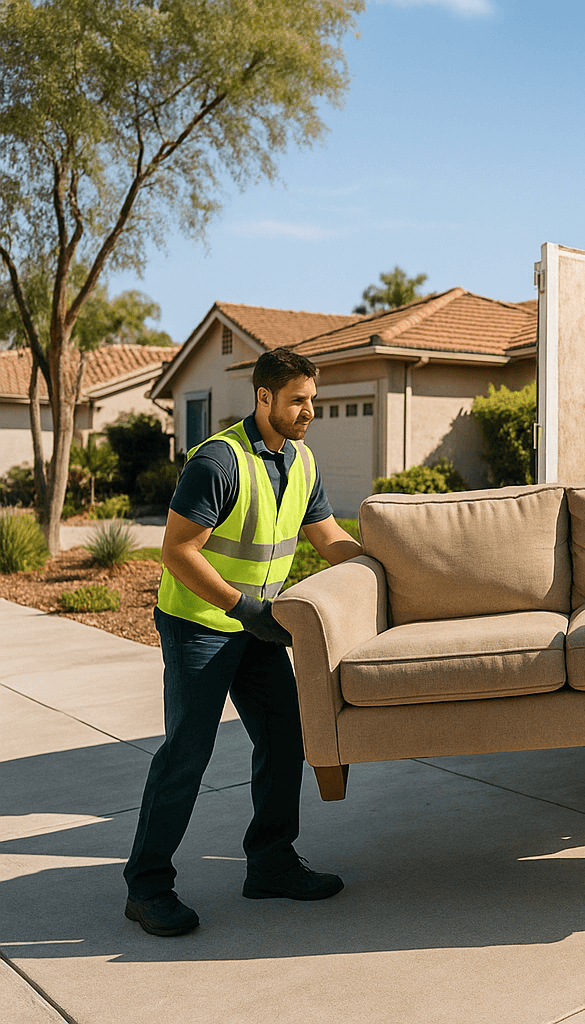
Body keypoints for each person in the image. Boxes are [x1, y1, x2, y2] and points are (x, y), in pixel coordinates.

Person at [123, 348, 364, 936]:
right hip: (201, 625)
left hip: (256, 627)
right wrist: (243, 608)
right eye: (297, 401)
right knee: (188, 751)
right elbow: (177, 551)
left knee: (285, 737)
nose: (309, 411)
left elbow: (328, 536)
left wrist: (391, 560)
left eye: (313, 399)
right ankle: (148, 885)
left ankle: (272, 863)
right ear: (264, 398)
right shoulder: (219, 461)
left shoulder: (301, 460)